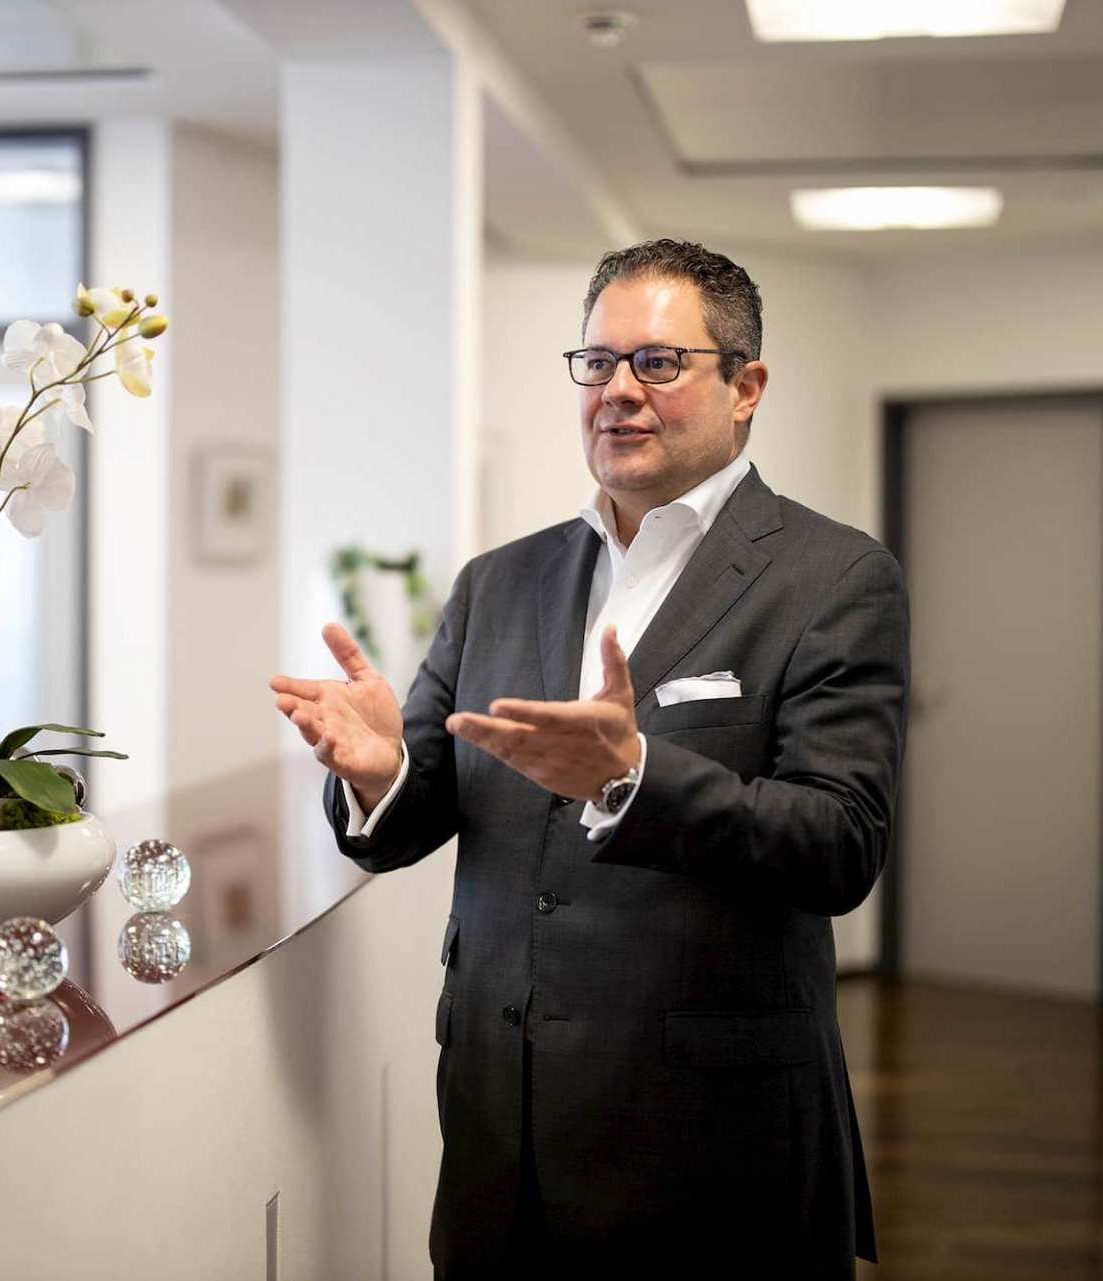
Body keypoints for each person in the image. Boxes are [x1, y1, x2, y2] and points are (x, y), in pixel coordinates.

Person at [270, 239, 907, 1277]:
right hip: (498, 1123)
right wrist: (380, 773)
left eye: (657, 362)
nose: (617, 389)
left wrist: (633, 777)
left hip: (712, 1142)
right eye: (598, 361)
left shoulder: (833, 578)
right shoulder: (498, 582)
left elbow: (840, 843)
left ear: (746, 387)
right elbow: (417, 817)